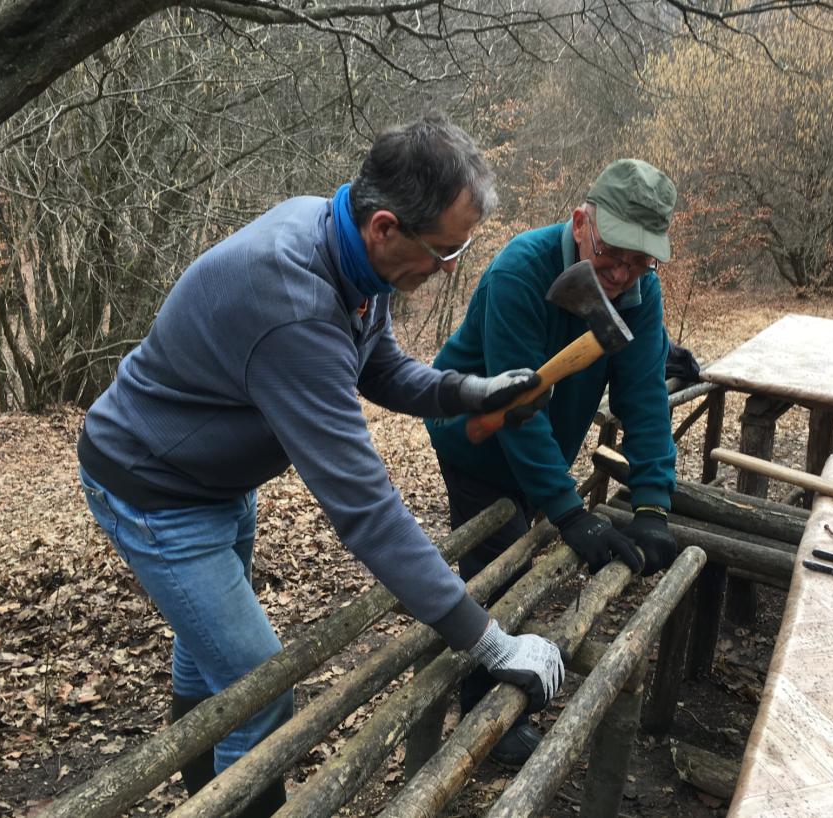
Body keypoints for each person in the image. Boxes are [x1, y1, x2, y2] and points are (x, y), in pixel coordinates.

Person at [76, 113, 564, 815]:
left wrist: (467, 390)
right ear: (386, 226)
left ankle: (199, 796)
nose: (449, 269)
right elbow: (365, 511)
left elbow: (378, 362)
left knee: (215, 665)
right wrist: (488, 642)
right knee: (261, 696)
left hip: (211, 476)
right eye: (446, 252)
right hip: (153, 489)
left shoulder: (339, 238)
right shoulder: (293, 302)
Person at [427, 158, 680, 766]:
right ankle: (481, 719)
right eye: (613, 254)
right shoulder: (521, 270)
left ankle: (494, 687)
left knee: (524, 538)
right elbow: (517, 411)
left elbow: (644, 399)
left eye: (640, 262)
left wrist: (653, 503)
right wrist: (570, 512)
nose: (622, 274)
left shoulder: (639, 291)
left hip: (545, 434)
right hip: (477, 438)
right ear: (581, 222)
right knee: (499, 568)